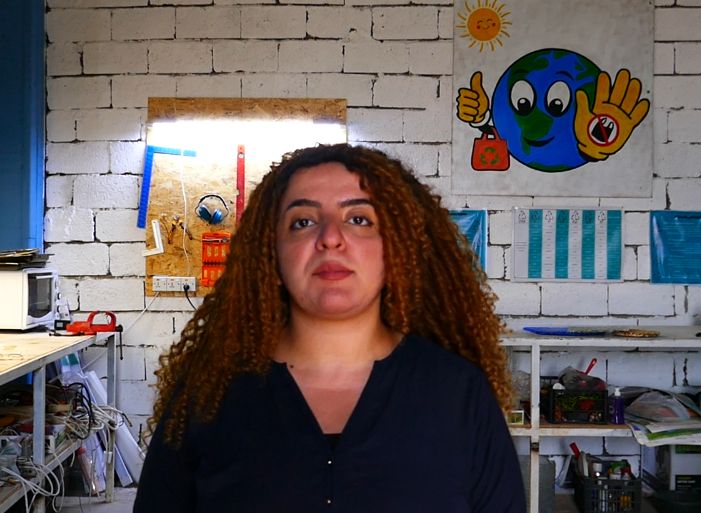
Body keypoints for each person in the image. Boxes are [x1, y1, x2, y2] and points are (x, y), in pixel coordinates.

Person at [133, 143, 526, 513]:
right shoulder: (208, 394)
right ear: (272, 252)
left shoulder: (459, 394)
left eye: (359, 219)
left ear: (397, 248)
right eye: (303, 222)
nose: (331, 238)